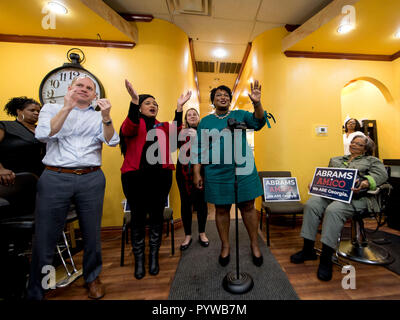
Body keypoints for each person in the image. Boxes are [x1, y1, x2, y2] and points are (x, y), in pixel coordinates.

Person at [27, 76, 120, 300]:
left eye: (90, 88)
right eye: (80, 86)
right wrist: (67, 107)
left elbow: (112, 140)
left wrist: (106, 117)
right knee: (46, 235)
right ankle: (38, 288)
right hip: (56, 176)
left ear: (95, 95)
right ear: (70, 89)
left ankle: (92, 277)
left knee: (91, 233)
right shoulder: (51, 109)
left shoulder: (98, 116)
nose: (85, 90)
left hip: (91, 177)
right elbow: (43, 134)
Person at [193, 80, 271, 267]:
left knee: (248, 206)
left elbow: (259, 121)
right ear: (213, 100)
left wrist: (257, 103)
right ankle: (225, 245)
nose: (223, 97)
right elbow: (199, 148)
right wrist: (197, 172)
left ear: (230, 100)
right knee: (221, 208)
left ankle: (254, 243)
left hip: (242, 170)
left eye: (226, 95)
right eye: (219, 95)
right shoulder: (205, 121)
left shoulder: (240, 114)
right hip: (216, 172)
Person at [290, 135, 388, 281]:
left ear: (365, 149)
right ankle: (308, 249)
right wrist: (316, 185)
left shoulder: (371, 161)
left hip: (359, 198)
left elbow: (382, 175)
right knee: (312, 204)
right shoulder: (336, 160)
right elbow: (329, 178)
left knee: (334, 210)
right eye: (353, 142)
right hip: (334, 195)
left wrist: (365, 182)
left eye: (359, 144)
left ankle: (326, 258)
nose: (354, 145)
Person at [120, 80, 190, 279]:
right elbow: (128, 128)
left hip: (160, 177)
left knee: (157, 217)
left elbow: (177, 135)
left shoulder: (163, 126)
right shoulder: (134, 124)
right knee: (139, 218)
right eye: (148, 103)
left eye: (155, 104)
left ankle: (154, 258)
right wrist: (133, 101)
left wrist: (179, 108)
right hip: (135, 178)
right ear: (140, 107)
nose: (153, 106)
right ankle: (139, 260)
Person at [177, 108, 209, 251]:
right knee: (185, 203)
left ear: (198, 117)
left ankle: (202, 233)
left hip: (201, 171)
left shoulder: (205, 132)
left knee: (201, 202)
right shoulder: (181, 133)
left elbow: (208, 150)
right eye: (188, 115)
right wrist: (178, 108)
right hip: (183, 172)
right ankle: (188, 235)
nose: (191, 116)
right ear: (185, 119)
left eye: (194, 114)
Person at [0, 97, 45, 185]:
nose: (36, 113)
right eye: (32, 110)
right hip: (12, 179)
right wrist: (1, 169)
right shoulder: (5, 126)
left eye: (38, 111)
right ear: (19, 111)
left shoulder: (43, 130)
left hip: (41, 179)